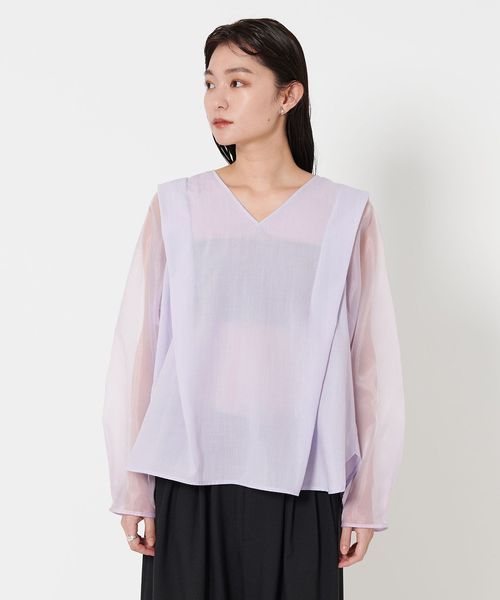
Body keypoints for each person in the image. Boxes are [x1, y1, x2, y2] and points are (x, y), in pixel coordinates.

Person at [102, 17, 405, 600]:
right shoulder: (178, 206)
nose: (217, 99)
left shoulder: (344, 214)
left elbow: (371, 366)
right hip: (189, 473)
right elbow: (142, 351)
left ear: (288, 95)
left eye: (238, 82)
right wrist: (133, 486)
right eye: (210, 83)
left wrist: (367, 498)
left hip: (304, 478)